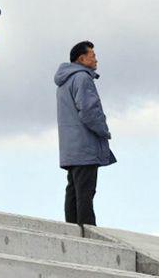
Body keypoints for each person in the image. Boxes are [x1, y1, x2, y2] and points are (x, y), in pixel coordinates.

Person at [54, 41, 116, 227]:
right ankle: (87, 232)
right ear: (82, 58)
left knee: (73, 191)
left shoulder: (64, 82)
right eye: (92, 55)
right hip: (85, 146)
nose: (96, 59)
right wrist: (104, 131)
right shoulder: (82, 78)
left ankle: (72, 229)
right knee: (86, 193)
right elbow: (89, 111)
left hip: (70, 147)